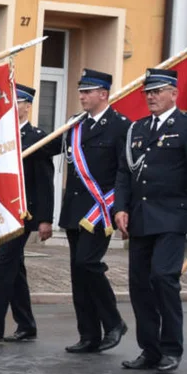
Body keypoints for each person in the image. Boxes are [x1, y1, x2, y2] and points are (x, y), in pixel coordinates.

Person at [115, 68, 187, 374]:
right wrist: (120, 207)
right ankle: (150, 349)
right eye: (148, 92)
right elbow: (124, 173)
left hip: (173, 216)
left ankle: (171, 349)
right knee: (139, 285)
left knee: (163, 278)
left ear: (173, 93)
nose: (152, 97)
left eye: (158, 91)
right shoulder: (137, 128)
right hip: (141, 218)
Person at [0, 83, 53, 343]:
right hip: (2, 210)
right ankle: (27, 324)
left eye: (17, 102)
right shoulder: (0, 136)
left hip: (23, 213)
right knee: (14, 268)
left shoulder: (37, 137)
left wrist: (45, 219)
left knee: (4, 265)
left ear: (27, 106)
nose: (11, 107)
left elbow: (44, 181)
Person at [58, 69, 130, 353]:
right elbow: (53, 148)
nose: (82, 96)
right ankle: (88, 334)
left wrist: (122, 208)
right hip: (75, 209)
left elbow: (125, 172)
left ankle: (113, 322)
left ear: (103, 94)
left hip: (101, 209)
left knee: (89, 264)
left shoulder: (121, 126)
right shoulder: (74, 125)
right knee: (78, 272)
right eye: (81, 91)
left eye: (87, 92)